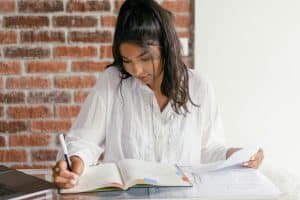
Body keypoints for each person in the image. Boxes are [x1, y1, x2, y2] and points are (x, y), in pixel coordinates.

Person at [53, 0, 264, 189]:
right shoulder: (112, 81)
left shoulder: (199, 87)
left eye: (145, 58)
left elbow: (209, 149)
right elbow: (84, 141)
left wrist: (235, 156)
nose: (135, 70)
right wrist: (75, 161)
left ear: (167, 47)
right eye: (127, 60)